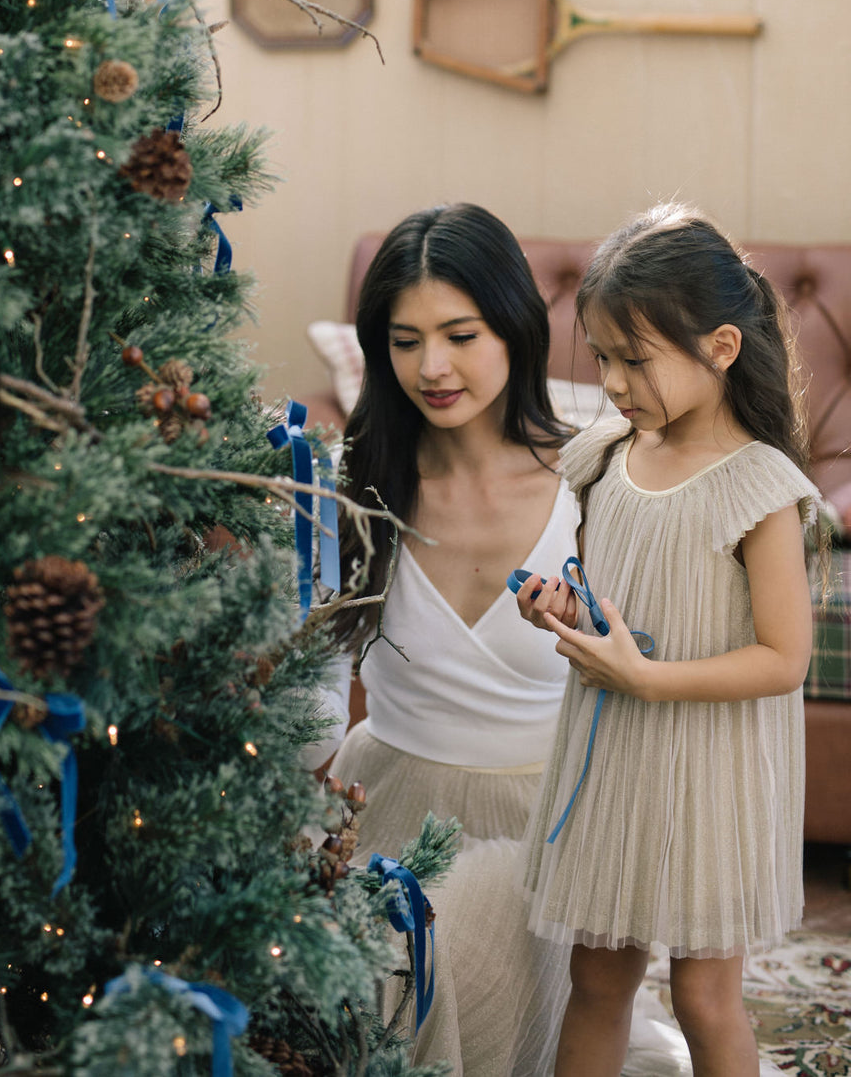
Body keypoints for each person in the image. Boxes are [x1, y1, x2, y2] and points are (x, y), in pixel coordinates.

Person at [516, 203, 821, 1077]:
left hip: (710, 773)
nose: (613, 382)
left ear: (721, 348)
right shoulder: (607, 455)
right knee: (598, 976)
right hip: (616, 759)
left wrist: (649, 679)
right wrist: (564, 612)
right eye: (602, 356)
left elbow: (783, 659)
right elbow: (609, 597)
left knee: (702, 997)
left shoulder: (757, 488)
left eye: (635, 359)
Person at [322, 203, 579, 1076]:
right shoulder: (358, 485)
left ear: (514, 328)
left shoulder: (593, 484)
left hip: (539, 830)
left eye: (460, 334)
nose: (431, 368)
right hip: (381, 798)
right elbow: (315, 686)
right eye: (404, 340)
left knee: (430, 963)